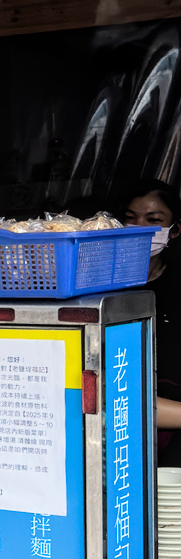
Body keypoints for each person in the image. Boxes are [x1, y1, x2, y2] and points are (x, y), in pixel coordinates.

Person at [120, 179, 181, 452]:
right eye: (130, 218)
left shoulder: (175, 284)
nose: (139, 228)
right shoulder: (101, 286)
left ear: (175, 229)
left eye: (153, 220)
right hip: (123, 422)